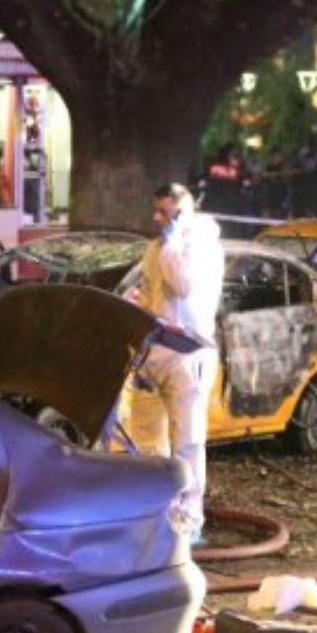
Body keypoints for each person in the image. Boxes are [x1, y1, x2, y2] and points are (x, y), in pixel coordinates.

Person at [127, 183, 224, 539]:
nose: (156, 218)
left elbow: (183, 285)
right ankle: (153, 514)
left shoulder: (201, 248)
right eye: (156, 211)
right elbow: (151, 295)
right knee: (147, 439)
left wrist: (169, 243)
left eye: (165, 212)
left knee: (187, 440)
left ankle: (187, 520)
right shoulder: (156, 248)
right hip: (154, 352)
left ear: (183, 213)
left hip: (188, 354)